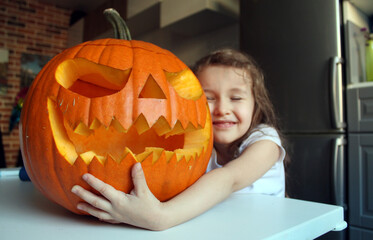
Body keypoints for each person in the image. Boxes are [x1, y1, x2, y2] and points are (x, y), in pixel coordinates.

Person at [71, 48, 287, 231]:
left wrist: (160, 217)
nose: (222, 109)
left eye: (236, 98)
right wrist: (131, 208)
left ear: (256, 105)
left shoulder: (265, 142)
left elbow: (229, 179)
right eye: (208, 98)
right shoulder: (198, 145)